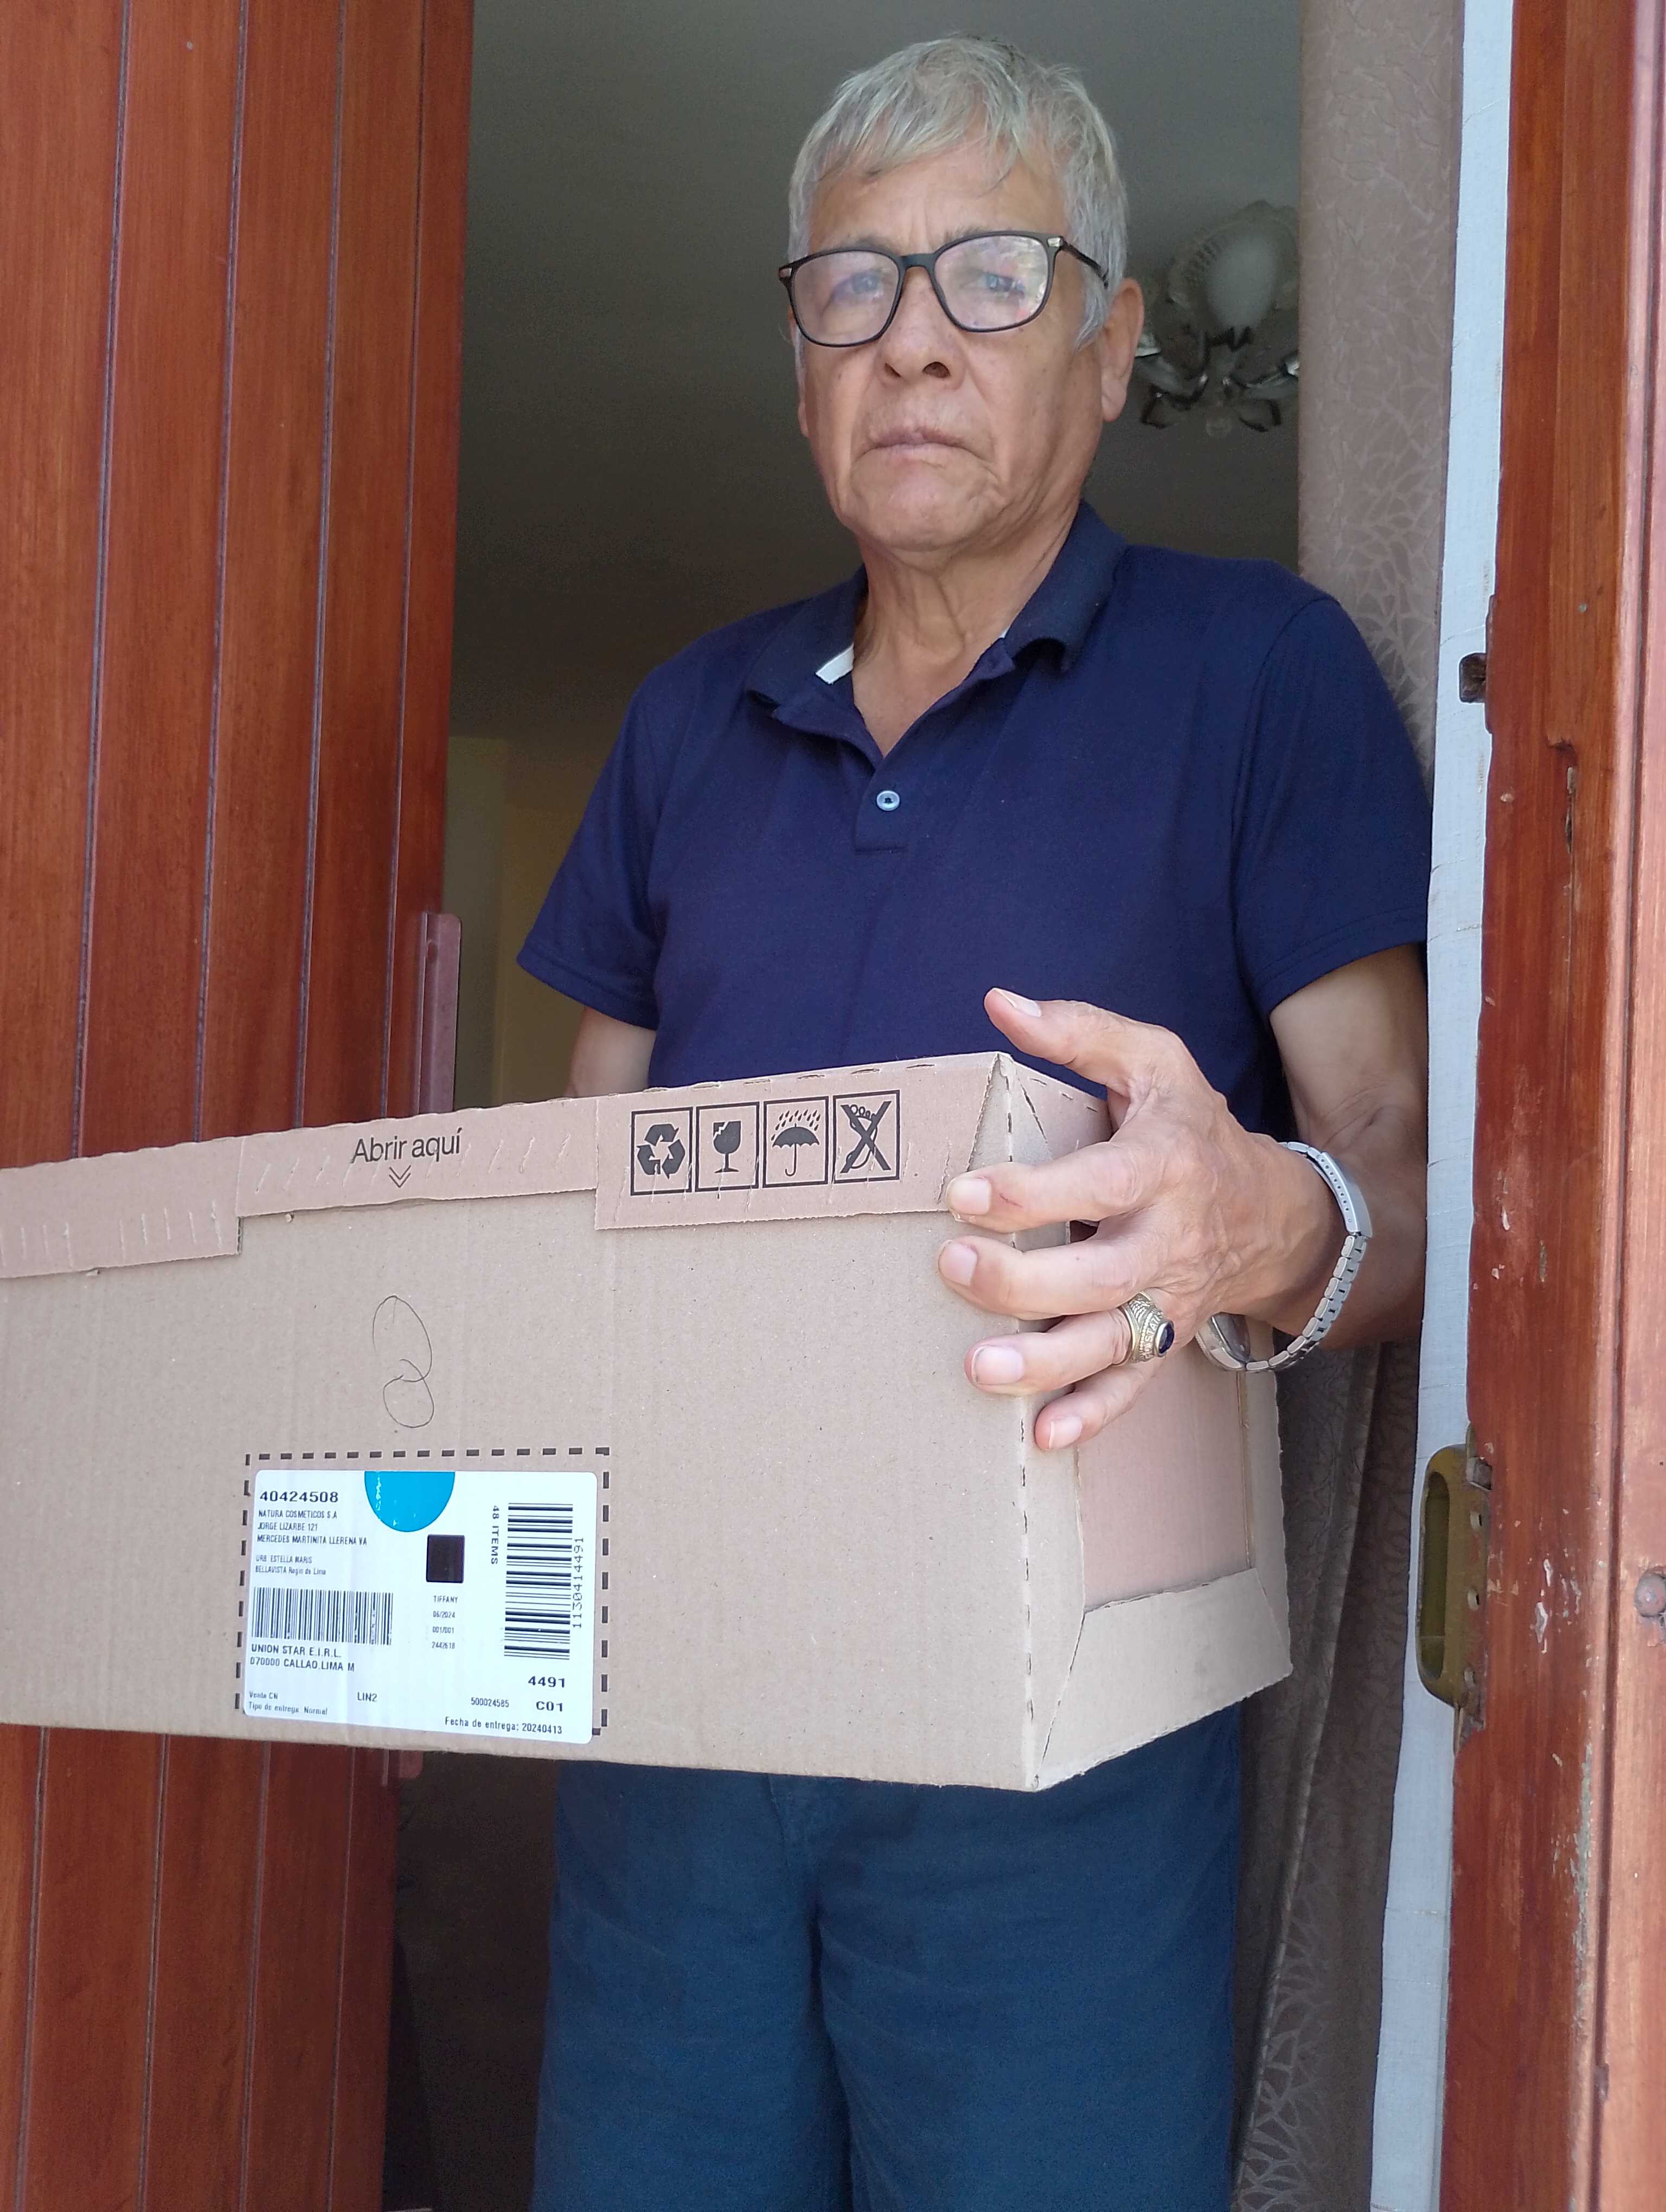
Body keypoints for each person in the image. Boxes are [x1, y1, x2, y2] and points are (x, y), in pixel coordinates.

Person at [518, 35, 1430, 2212]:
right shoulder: (685, 721)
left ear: (1113, 349)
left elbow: (1412, 1186)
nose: (913, 339)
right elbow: (574, 1202)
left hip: (1067, 1747)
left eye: (992, 276)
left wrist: (1250, 1223)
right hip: (685, 1713)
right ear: (799, 367)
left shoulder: (1261, 675)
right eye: (855, 284)